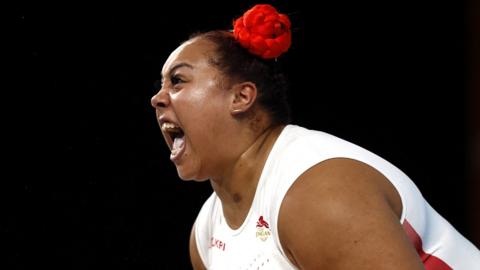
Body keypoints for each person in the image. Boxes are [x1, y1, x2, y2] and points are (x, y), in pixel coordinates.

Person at [150, 4, 480, 269]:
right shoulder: (207, 233)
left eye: (178, 81)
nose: (158, 99)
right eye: (160, 86)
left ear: (241, 97)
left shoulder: (317, 192)